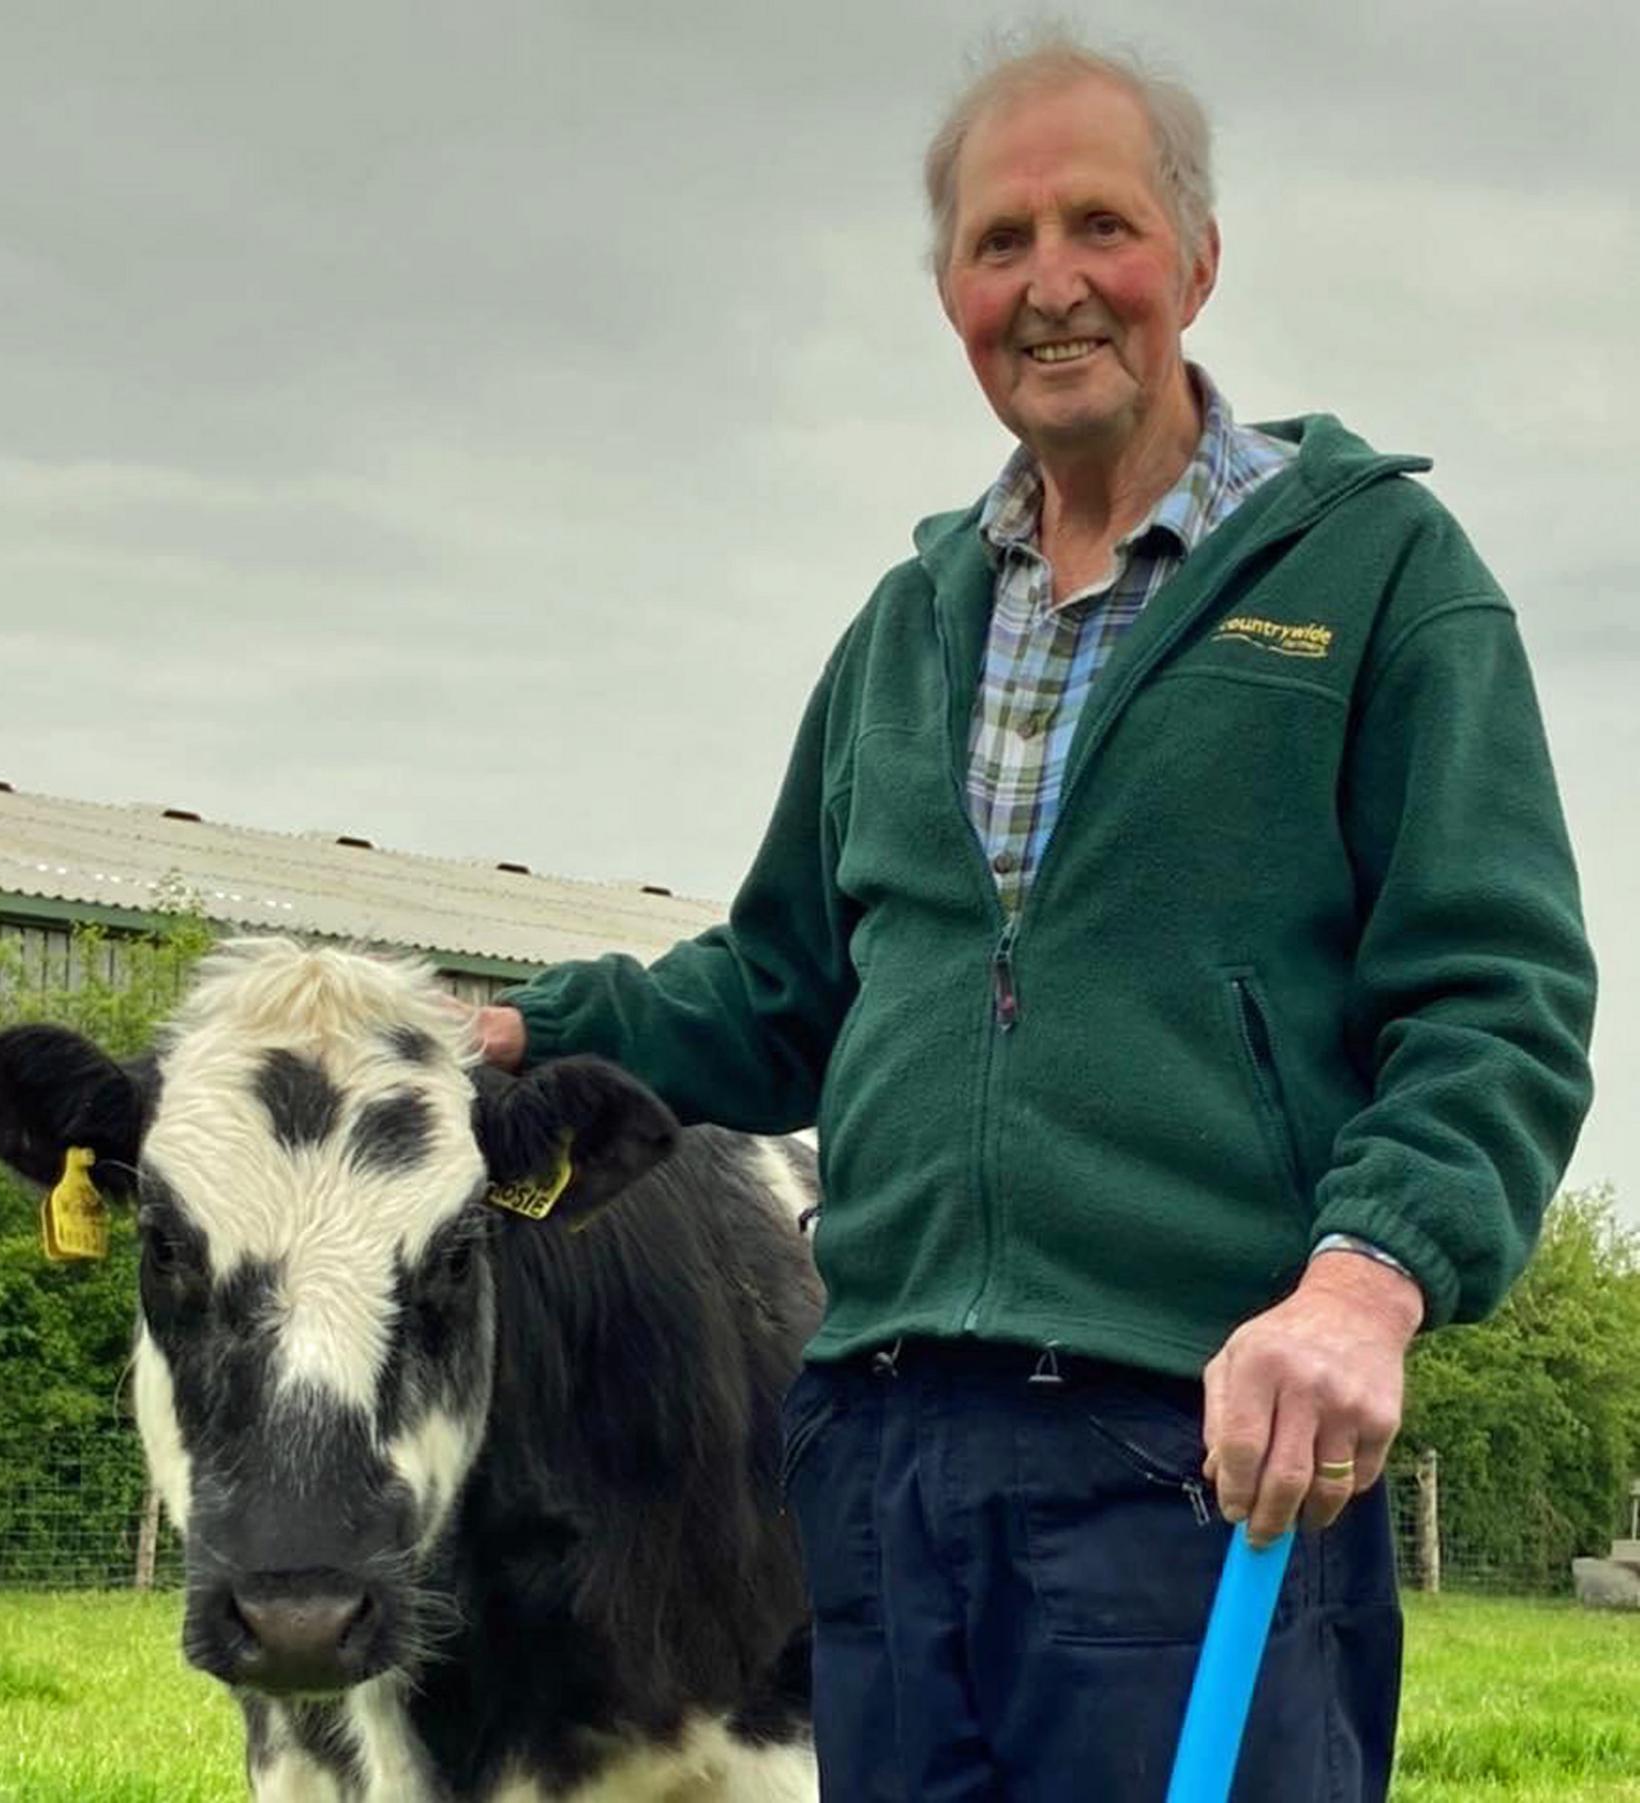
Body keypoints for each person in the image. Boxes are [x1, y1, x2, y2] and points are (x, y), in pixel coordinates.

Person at [475, 30, 1595, 1802]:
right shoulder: (905, 626)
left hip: (1197, 1452)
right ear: (950, 293)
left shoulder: (1381, 580)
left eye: (1103, 226)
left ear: (1199, 261)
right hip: (882, 1459)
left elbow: (1497, 999)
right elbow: (778, 989)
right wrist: (526, 1031)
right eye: (1002, 243)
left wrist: (1365, 1285)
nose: (1053, 285)